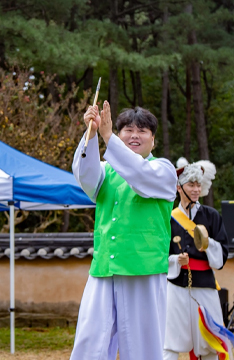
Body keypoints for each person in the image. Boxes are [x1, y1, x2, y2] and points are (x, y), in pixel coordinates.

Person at [70, 101, 177, 360]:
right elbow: (84, 175)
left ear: (153, 140)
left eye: (142, 131)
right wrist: (92, 134)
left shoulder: (163, 170)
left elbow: (139, 175)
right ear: (120, 135)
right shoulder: (107, 172)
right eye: (127, 130)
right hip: (105, 266)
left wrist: (108, 136)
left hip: (143, 268)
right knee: (89, 342)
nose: (134, 135)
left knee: (142, 346)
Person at [163, 158, 229, 360]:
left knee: (209, 340)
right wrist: (175, 260)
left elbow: (222, 254)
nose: (195, 189)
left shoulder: (211, 216)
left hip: (205, 284)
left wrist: (207, 243)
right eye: (191, 184)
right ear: (179, 187)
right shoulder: (168, 217)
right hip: (176, 283)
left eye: (198, 184)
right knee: (170, 341)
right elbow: (159, 254)